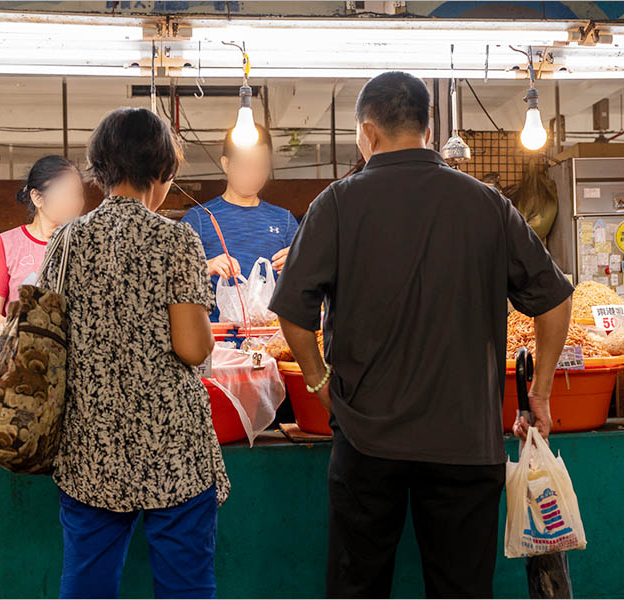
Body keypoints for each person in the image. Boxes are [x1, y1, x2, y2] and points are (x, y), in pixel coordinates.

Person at [268, 71, 573, 599]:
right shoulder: (487, 204)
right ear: (429, 130)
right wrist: (539, 394)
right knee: (462, 590)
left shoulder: (336, 204)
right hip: (464, 441)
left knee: (357, 586)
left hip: (366, 440)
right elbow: (556, 301)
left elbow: (294, 312)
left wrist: (319, 383)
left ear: (367, 133)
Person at [40, 107, 230, 600]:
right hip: (175, 452)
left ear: (99, 169)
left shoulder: (65, 240)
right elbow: (192, 348)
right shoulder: (176, 239)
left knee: (87, 583)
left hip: (89, 447)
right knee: (186, 587)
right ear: (164, 170)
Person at [180, 124, 299, 321]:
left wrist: (297, 264)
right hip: (216, 340)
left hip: (269, 340)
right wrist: (205, 265)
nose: (253, 172)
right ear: (226, 164)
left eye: (261, 165)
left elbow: (305, 283)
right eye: (245, 164)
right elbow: (170, 276)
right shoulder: (199, 219)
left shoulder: (284, 220)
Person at [0, 155, 85, 328]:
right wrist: (17, 326)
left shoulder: (87, 246)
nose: (74, 202)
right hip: (23, 350)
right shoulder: (7, 244)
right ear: (37, 197)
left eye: (77, 194)